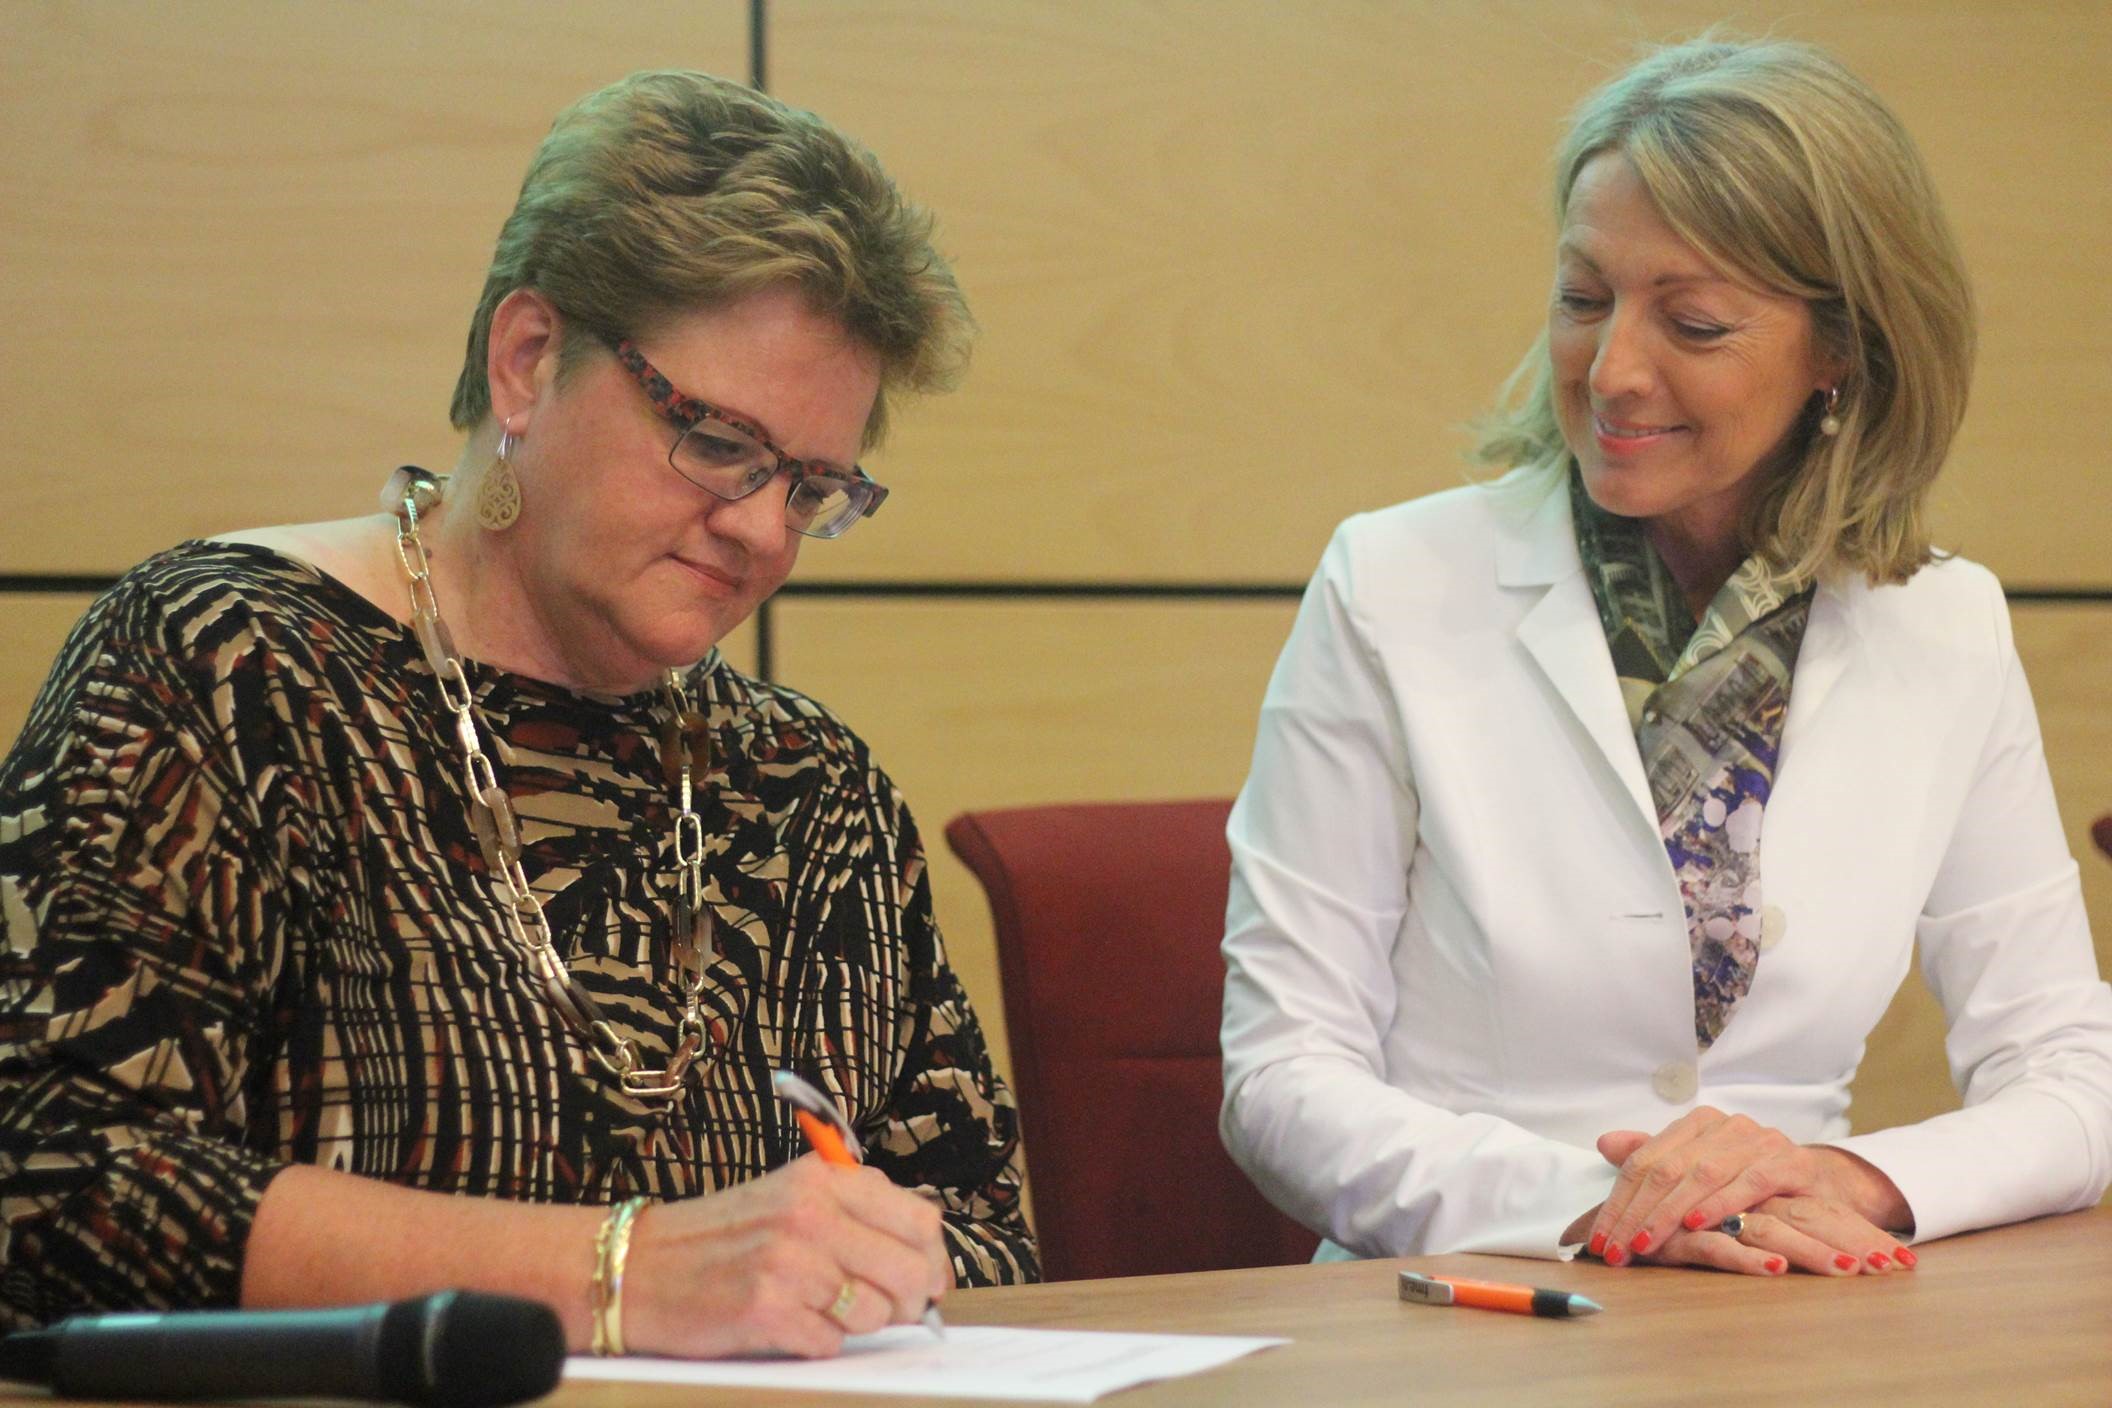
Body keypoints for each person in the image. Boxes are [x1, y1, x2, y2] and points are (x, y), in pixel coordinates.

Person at [0, 70, 1037, 1357]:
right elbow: (54, 1179)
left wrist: (872, 1265)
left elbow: (984, 1242)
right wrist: (621, 1273)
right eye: (722, 444)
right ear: (529, 360)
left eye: (813, 487)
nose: (765, 531)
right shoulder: (227, 666)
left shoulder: (808, 788)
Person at [1219, 36, 2112, 1279]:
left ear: (1842, 351)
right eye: (1584, 300)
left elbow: (2073, 1073)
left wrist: (1848, 1179)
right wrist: (1619, 1203)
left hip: (1800, 1306)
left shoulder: (1946, 622)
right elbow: (1279, 1079)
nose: (1613, 371)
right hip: (1476, 1297)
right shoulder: (1393, 582)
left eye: (1692, 323)